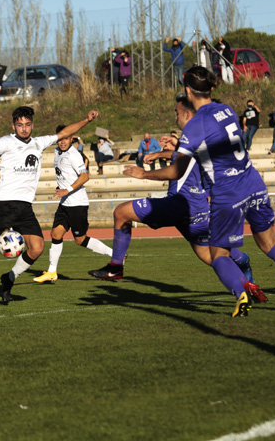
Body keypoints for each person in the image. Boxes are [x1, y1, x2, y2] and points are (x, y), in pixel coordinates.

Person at [121, 66, 275, 316]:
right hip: (253, 183)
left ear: (188, 91)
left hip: (228, 192)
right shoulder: (227, 110)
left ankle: (242, 295)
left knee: (218, 254)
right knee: (270, 243)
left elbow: (177, 170)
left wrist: (144, 174)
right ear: (210, 88)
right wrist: (180, 146)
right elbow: (213, 144)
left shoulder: (195, 124)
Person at [89, 93, 256, 298]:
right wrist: (167, 150)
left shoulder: (195, 134)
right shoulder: (203, 134)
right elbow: (190, 155)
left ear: (187, 114)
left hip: (181, 203)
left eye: (177, 113)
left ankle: (115, 266)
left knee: (121, 212)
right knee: (210, 255)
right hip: (196, 206)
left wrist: (144, 174)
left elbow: (176, 170)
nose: (175, 117)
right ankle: (247, 285)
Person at [0, 106, 99, 304]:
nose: (24, 128)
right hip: (2, 204)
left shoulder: (39, 142)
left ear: (32, 125)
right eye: (20, 125)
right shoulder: (6, 141)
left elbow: (65, 133)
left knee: (37, 248)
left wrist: (87, 120)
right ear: (14, 126)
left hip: (25, 208)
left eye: (27, 124)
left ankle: (9, 279)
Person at [31, 126, 113, 283]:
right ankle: (52, 272)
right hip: (65, 203)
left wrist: (67, 190)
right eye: (60, 139)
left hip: (77, 204)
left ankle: (116, 255)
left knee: (80, 240)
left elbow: (85, 176)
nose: (63, 142)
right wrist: (61, 188)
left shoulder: (73, 155)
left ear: (71, 138)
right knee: (55, 234)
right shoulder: (57, 151)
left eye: (66, 138)